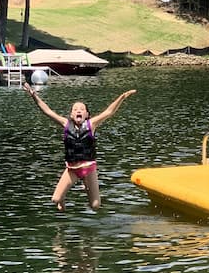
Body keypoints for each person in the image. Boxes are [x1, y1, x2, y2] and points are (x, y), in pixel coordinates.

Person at [23, 82, 136, 211]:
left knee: (95, 206)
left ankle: (86, 184)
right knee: (55, 199)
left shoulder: (91, 124)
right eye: (75, 109)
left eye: (82, 109)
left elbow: (109, 112)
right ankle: (65, 198)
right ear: (71, 115)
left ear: (86, 114)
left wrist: (122, 97)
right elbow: (47, 111)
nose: (78, 111)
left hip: (89, 168)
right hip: (72, 169)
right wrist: (33, 95)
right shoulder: (66, 124)